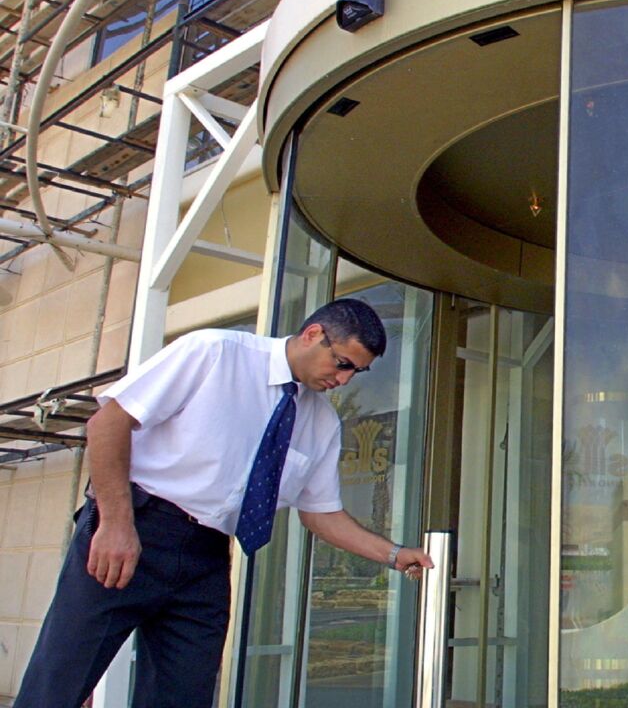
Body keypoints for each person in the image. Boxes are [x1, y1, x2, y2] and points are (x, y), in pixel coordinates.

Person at [14, 298, 433, 708]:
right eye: (343, 364)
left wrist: (394, 554)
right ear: (312, 335)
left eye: (357, 373)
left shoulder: (321, 423)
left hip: (207, 557)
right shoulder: (214, 352)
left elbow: (322, 514)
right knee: (59, 685)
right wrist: (116, 523)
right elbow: (109, 422)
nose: (344, 381)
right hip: (136, 525)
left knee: (184, 696)